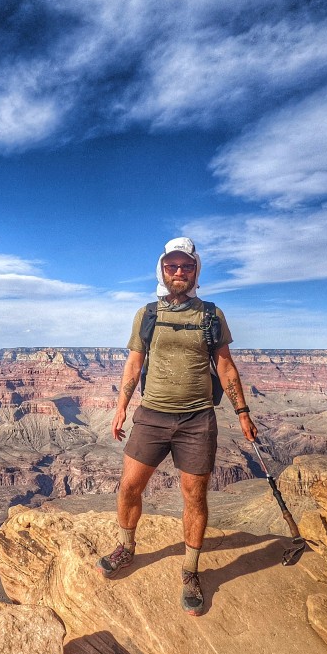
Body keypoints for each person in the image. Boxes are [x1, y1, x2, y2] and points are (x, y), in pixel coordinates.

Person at [97, 236, 257, 616]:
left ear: (195, 270)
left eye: (186, 266)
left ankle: (190, 570)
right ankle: (127, 546)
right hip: (152, 415)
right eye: (172, 266)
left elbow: (225, 365)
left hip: (197, 419)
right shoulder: (148, 314)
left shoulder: (211, 316)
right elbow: (134, 364)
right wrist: (121, 406)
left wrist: (243, 411)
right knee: (130, 486)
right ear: (162, 271)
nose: (179, 272)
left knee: (194, 497)